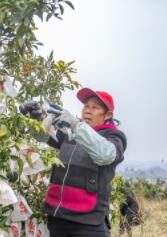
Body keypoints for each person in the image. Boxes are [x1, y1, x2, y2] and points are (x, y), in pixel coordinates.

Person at [20, 88, 127, 237]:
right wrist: (36, 118)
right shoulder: (70, 134)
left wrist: (76, 125)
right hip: (58, 218)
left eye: (95, 107)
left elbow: (106, 155)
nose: (88, 111)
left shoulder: (113, 136)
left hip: (88, 223)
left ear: (107, 115)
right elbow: (43, 136)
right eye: (86, 106)